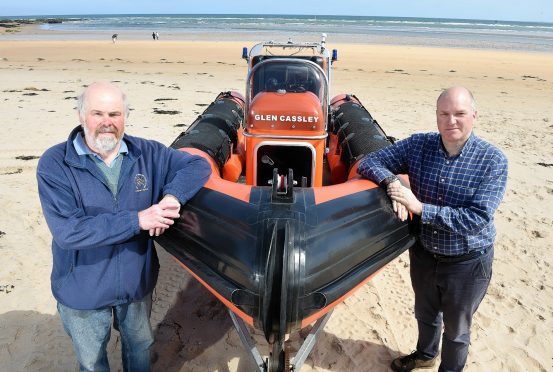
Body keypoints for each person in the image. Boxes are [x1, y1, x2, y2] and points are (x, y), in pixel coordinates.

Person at [36, 82, 211, 371]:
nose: (107, 123)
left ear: (125, 116)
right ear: (81, 116)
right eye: (98, 113)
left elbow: (197, 167)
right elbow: (69, 231)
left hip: (136, 284)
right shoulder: (55, 164)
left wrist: (172, 196)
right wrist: (138, 220)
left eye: (115, 114)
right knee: (92, 361)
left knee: (140, 347)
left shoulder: (148, 153)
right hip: (83, 291)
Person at [357, 87, 508, 372]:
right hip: (424, 254)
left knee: (457, 330)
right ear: (436, 116)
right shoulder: (418, 145)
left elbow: (477, 218)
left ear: (474, 115)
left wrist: (420, 208)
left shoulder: (493, 161)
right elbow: (370, 161)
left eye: (460, 114)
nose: (451, 120)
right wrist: (392, 183)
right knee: (425, 314)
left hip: (467, 262)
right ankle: (426, 355)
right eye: (444, 114)